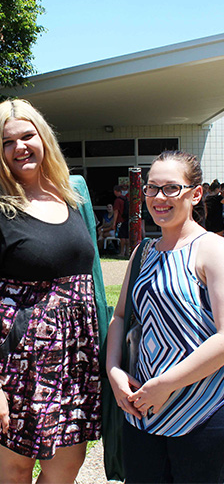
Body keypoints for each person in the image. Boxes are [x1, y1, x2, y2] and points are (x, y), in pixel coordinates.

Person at [0, 99, 106, 484]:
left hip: (76, 357)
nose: (20, 147)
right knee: (18, 467)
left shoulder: (70, 197)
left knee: (68, 463)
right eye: (7, 142)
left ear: (43, 138)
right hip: (21, 362)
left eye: (27, 135)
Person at [106, 150, 224, 483]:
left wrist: (164, 385)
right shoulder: (143, 252)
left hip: (203, 413)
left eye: (171, 188)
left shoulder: (211, 250)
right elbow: (119, 316)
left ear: (195, 193)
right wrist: (113, 370)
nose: (159, 197)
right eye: (152, 188)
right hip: (142, 413)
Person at [113, 185, 129, 257]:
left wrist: (114, 223)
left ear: (115, 191)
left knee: (122, 237)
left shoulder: (118, 200)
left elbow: (116, 212)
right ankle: (127, 252)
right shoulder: (126, 199)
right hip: (127, 220)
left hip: (120, 220)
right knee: (127, 237)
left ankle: (122, 252)